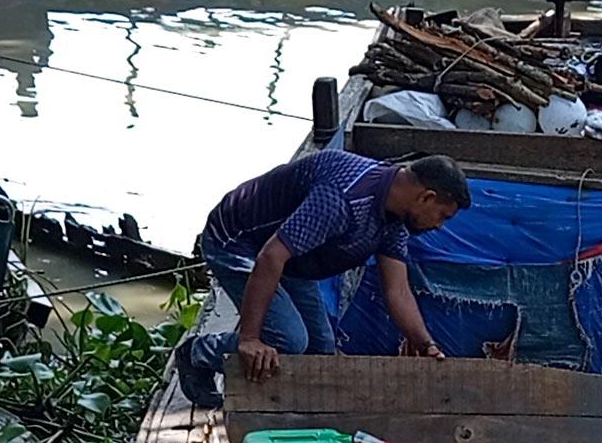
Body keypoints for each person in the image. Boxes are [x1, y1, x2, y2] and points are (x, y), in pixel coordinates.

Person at [174, 149, 470, 409]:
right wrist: (250, 338)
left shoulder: (395, 218)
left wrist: (426, 344)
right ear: (426, 197)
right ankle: (199, 352)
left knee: (320, 350)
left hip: (295, 256)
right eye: (442, 216)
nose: (439, 226)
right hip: (240, 242)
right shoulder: (342, 198)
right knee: (288, 341)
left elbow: (398, 291)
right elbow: (270, 257)